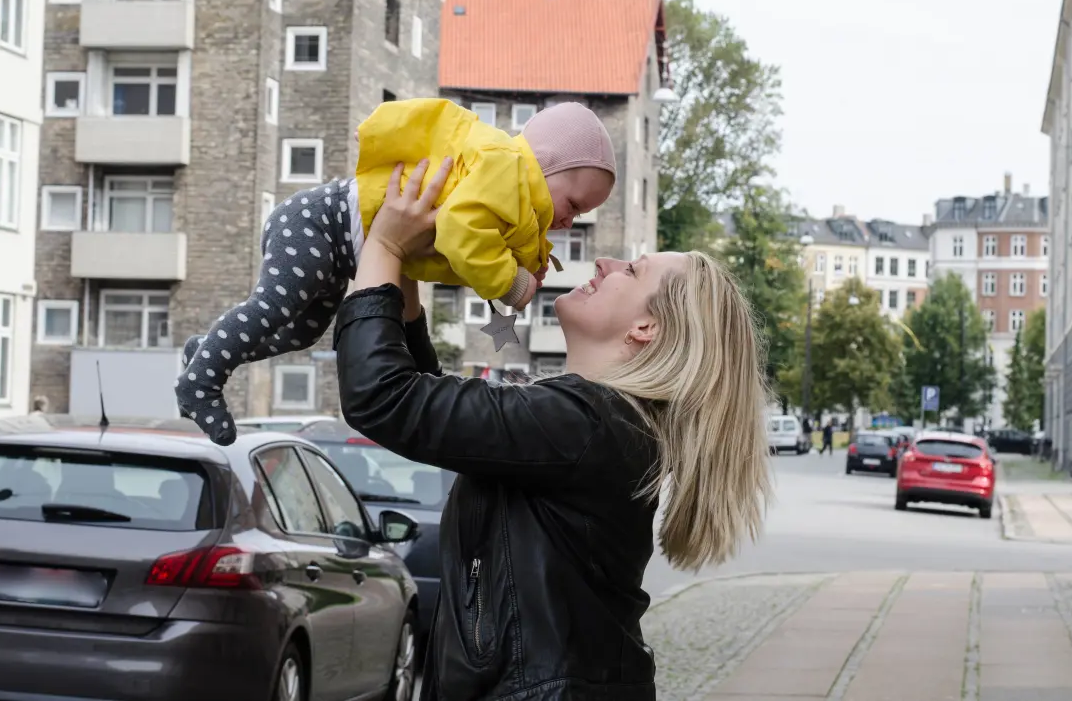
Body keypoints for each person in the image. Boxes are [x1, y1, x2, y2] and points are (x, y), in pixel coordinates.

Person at [332, 158, 774, 700]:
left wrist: (385, 247)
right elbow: (442, 417)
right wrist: (408, 275)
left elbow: (382, 398)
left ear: (646, 328)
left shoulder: (587, 422)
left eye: (632, 271)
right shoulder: (599, 423)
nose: (608, 262)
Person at [176, 100, 617, 445]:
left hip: (344, 245)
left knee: (301, 333)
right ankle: (202, 381)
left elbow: (452, 249)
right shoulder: (506, 168)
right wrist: (514, 283)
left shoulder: (515, 198)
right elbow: (463, 233)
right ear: (545, 163)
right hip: (322, 222)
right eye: (574, 205)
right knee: (275, 308)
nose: (569, 222)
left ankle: (213, 348)